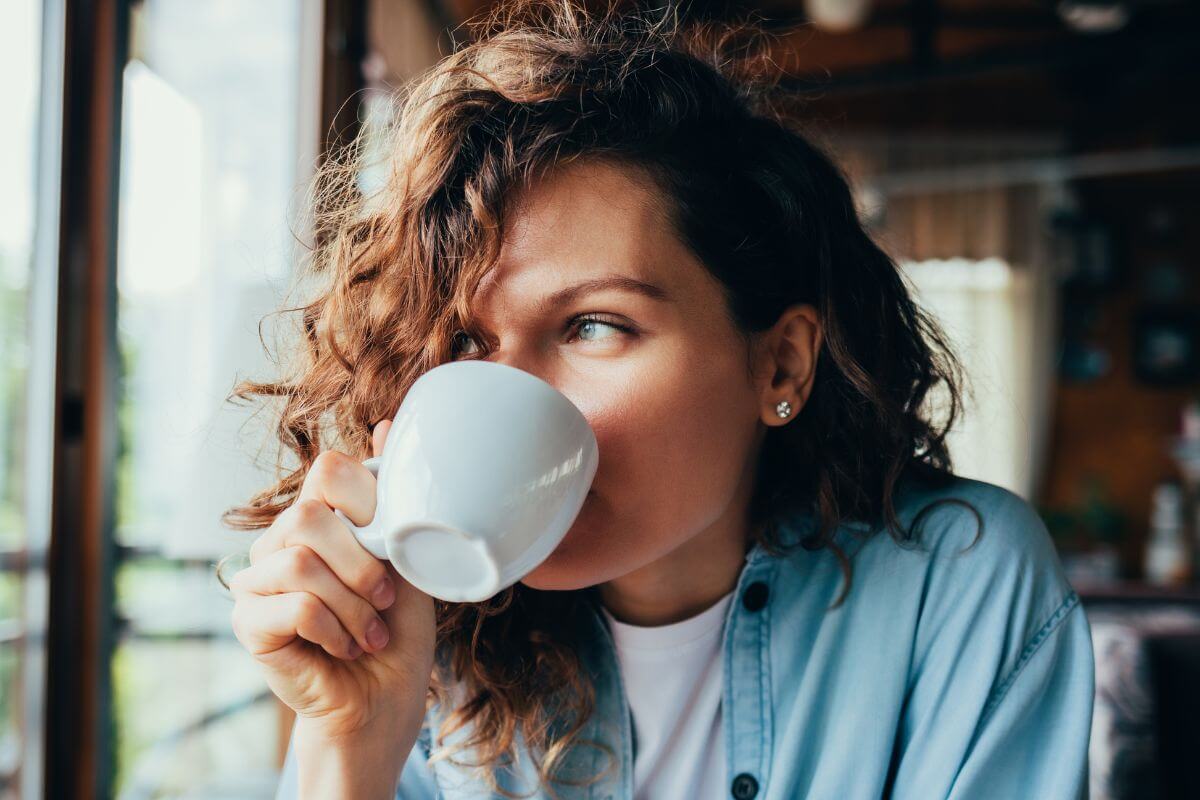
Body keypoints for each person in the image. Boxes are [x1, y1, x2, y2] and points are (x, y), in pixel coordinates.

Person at [219, 1, 1095, 798]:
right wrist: (348, 751)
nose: (505, 391)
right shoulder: (419, 629)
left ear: (781, 367)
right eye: (463, 342)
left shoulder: (956, 585)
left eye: (595, 325)